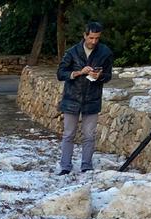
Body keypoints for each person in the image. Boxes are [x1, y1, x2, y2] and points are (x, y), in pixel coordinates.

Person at [56, 21, 113, 175]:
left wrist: (99, 75)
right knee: (69, 134)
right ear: (85, 35)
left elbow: (108, 76)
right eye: (91, 38)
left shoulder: (105, 52)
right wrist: (78, 72)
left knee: (89, 135)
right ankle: (65, 166)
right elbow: (60, 73)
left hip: (92, 99)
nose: (94, 41)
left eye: (97, 38)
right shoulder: (72, 52)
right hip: (71, 99)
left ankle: (86, 166)